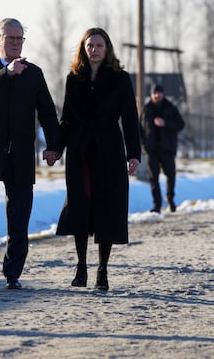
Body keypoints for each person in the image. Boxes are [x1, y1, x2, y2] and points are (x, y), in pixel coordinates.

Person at [0, 18, 62, 290]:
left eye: (20, 38)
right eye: (10, 38)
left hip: (20, 155)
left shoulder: (33, 73)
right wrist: (6, 73)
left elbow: (47, 112)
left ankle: (13, 272)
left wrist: (54, 146)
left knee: (19, 216)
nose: (15, 43)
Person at [56, 27, 141, 291]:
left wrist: (134, 154)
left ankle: (102, 270)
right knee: (80, 206)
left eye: (99, 45)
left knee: (107, 208)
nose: (93, 50)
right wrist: (55, 148)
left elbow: (129, 117)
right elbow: (67, 119)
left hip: (109, 150)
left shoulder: (120, 78)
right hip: (80, 152)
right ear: (83, 48)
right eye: (89, 45)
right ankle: (81, 266)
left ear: (107, 49)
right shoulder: (73, 78)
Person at [139, 84, 185, 213]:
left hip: (167, 149)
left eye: (159, 93)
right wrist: (143, 145)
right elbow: (140, 129)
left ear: (163, 94)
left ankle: (170, 200)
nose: (157, 95)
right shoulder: (146, 110)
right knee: (153, 178)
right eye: (155, 93)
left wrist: (166, 124)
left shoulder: (170, 108)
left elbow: (180, 124)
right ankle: (157, 205)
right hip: (151, 150)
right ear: (151, 94)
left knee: (170, 175)